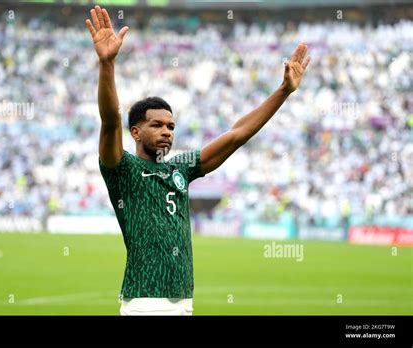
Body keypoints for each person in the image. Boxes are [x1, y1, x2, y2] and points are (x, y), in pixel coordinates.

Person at [85, 5, 310, 315]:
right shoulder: (123, 169)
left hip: (184, 303)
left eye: (171, 127)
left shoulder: (180, 168)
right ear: (135, 132)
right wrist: (107, 64)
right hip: (144, 304)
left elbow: (236, 134)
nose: (166, 132)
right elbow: (110, 121)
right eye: (157, 125)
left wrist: (283, 91)